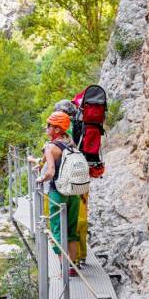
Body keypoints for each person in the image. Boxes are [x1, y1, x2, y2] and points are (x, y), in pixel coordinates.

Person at [34, 112, 86, 274]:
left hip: (58, 193)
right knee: (71, 229)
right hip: (74, 193)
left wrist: (41, 179)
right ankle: (72, 265)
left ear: (56, 129)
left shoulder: (50, 147)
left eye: (49, 125)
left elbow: (50, 171)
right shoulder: (70, 143)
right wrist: (39, 163)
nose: (47, 127)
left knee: (56, 230)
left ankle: (63, 268)